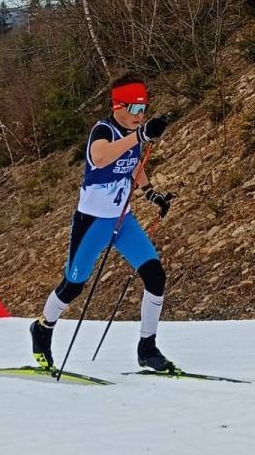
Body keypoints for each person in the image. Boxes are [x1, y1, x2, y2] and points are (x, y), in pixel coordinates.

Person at [30, 79, 176, 373]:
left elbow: (133, 165)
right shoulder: (103, 131)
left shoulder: (133, 134)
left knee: (155, 276)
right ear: (117, 106)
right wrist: (140, 136)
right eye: (134, 108)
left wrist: (151, 193)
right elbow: (100, 157)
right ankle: (43, 328)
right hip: (93, 222)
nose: (140, 115)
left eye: (143, 109)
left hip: (123, 221)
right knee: (73, 286)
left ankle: (147, 347)